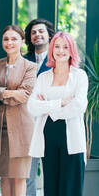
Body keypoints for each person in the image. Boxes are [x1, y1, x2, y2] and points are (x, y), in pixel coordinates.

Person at [27, 31, 87, 196]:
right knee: (51, 187)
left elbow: (78, 106)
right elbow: (32, 106)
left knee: (70, 188)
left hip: (72, 138)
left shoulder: (79, 76)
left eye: (65, 47)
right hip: (48, 135)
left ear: (71, 50)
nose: (61, 50)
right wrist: (59, 102)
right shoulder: (44, 78)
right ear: (52, 49)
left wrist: (46, 107)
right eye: (57, 46)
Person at [0, 25, 36, 196]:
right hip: (0, 127)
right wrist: (10, 94)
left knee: (19, 177)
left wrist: (1, 92)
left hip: (21, 128)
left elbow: (25, 94)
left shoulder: (29, 66)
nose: (9, 42)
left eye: (14, 39)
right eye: (6, 39)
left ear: (22, 41)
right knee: (4, 176)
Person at [23, 18, 55, 196]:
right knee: (28, 173)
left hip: (50, 121)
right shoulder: (23, 59)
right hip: (27, 122)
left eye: (41, 31)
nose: (37, 35)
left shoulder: (58, 58)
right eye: (33, 32)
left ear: (49, 34)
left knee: (51, 170)